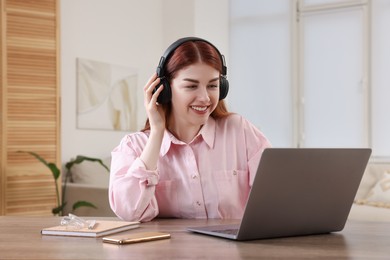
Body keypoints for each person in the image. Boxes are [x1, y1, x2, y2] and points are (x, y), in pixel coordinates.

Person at [109, 37, 271, 222]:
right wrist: (156, 133)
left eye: (212, 85)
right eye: (191, 86)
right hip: (166, 251)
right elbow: (129, 212)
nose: (204, 98)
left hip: (234, 251)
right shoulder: (133, 146)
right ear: (164, 90)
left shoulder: (240, 131)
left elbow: (276, 199)